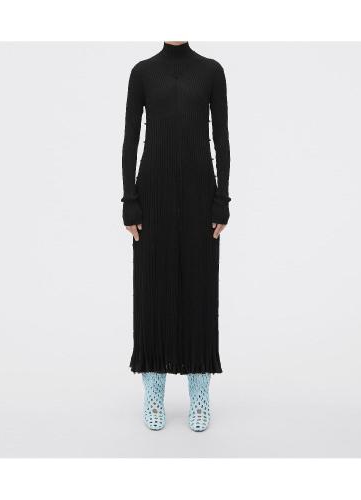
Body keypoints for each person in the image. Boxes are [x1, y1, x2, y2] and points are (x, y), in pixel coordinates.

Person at [121, 41, 231, 431]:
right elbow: (130, 138)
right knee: (152, 291)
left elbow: (222, 138)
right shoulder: (142, 72)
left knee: (200, 292)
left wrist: (222, 199)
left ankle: (200, 395)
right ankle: (153, 393)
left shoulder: (212, 71)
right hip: (153, 197)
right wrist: (130, 200)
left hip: (201, 197)